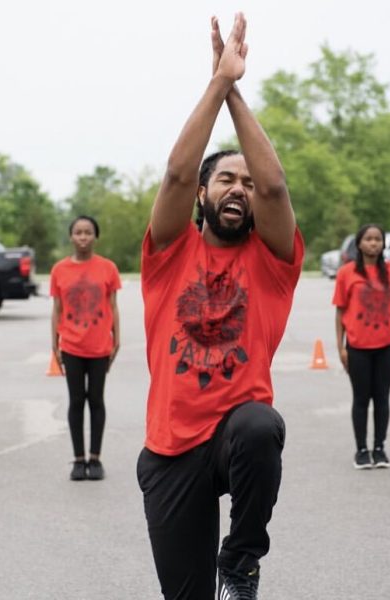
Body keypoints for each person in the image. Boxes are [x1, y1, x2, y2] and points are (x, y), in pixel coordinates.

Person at [136, 13, 303, 600]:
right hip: (171, 447)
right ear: (202, 195)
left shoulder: (272, 260)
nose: (240, 188)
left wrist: (235, 91)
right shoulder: (168, 252)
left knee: (260, 424)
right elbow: (176, 172)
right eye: (227, 179)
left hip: (234, 438)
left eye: (247, 184)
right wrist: (218, 82)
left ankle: (240, 562)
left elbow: (276, 185)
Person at [50, 215, 121, 481]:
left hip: (99, 345)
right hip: (71, 346)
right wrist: (54, 343)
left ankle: (95, 458)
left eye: (88, 232)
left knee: (96, 400)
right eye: (78, 232)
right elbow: (57, 309)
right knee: (76, 401)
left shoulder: (108, 268)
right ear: (71, 236)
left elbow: (113, 306)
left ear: (95, 237)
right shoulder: (60, 270)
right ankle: (79, 460)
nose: (83, 237)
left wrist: (117, 338)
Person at [333, 224, 390, 470]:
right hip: (357, 346)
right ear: (359, 244)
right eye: (368, 239)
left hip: (386, 345)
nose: (373, 243)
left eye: (378, 239)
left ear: (383, 244)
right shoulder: (346, 273)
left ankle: (379, 448)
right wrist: (341, 347)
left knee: (382, 398)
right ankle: (361, 450)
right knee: (361, 398)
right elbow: (340, 312)